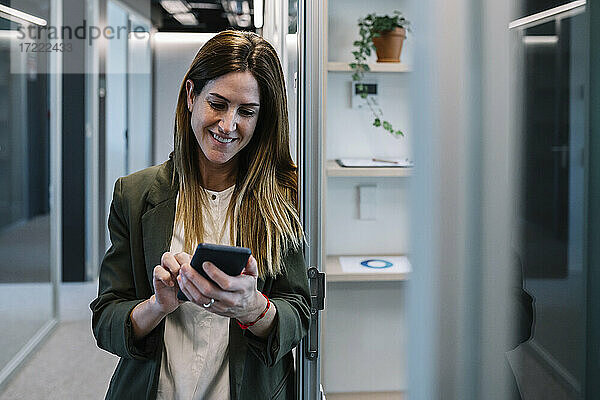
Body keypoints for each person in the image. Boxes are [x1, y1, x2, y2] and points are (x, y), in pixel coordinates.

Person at [90, 30, 310, 400]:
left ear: (262, 118)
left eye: (246, 112)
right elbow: (106, 319)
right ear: (191, 95)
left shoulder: (284, 197)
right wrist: (158, 305)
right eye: (218, 104)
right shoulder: (134, 194)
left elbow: (299, 312)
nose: (228, 125)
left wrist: (254, 307)